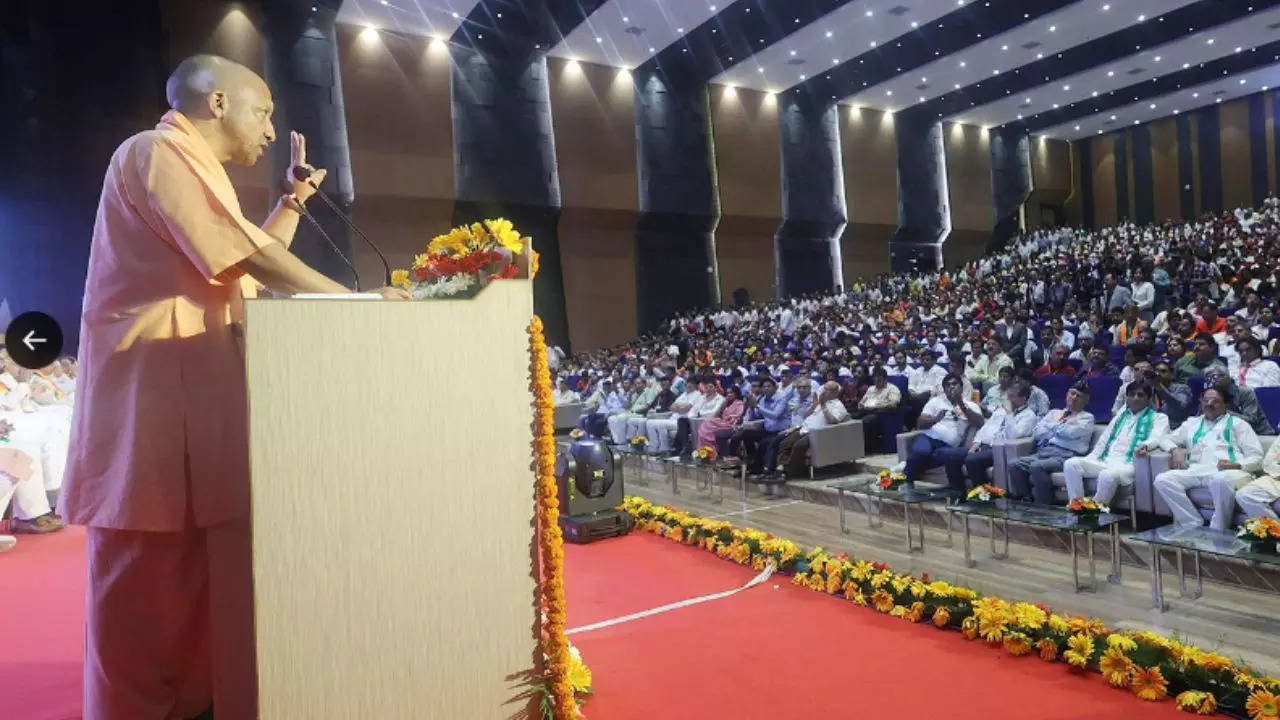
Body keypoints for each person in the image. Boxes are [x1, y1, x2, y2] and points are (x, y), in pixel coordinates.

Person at [59, 55, 410, 720]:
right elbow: (245, 255)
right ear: (218, 103)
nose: (273, 130)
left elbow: (241, 258)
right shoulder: (153, 151)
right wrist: (360, 304)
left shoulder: (198, 173)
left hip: (198, 407)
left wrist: (295, 200)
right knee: (144, 589)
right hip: (152, 410)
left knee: (199, 589)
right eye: (265, 111)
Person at [1148, 388, 1264, 530]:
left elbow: (1257, 457)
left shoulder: (1238, 424)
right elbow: (1164, 439)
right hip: (1197, 470)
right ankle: (1193, 525)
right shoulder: (1192, 423)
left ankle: (1219, 529)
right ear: (1200, 402)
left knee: (1219, 481)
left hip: (1230, 472)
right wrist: (1175, 450)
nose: (1209, 404)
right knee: (1162, 480)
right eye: (1206, 400)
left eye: (1215, 401)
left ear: (1226, 405)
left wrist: (1237, 465)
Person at [1063, 381, 1170, 506]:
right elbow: (1104, 439)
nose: (1135, 398)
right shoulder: (1120, 417)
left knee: (1107, 475)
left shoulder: (1158, 417)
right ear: (1127, 398)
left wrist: (1146, 445)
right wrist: (1092, 458)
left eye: (1140, 395)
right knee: (1071, 464)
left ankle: (1094, 513)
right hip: (1105, 460)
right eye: (1132, 394)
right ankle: (1077, 506)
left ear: (1148, 399)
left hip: (1128, 464)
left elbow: (1158, 436)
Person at [1007, 383, 1096, 504]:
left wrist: (1052, 427)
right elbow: (1037, 432)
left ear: (1086, 401)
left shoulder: (1087, 418)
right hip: (1045, 451)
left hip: (1066, 455)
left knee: (1037, 466)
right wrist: (1061, 427)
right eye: (1072, 393)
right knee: (1014, 464)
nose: (1074, 397)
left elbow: (1071, 433)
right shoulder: (1054, 413)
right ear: (1067, 394)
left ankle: (1043, 505)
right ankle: (1026, 500)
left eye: (1079, 396)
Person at [949, 379, 1038, 492]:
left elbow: (1014, 436)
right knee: (951, 455)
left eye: (1012, 396)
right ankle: (959, 494)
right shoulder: (1001, 410)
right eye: (1008, 396)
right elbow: (986, 427)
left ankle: (984, 498)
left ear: (1023, 398)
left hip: (999, 449)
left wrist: (1009, 413)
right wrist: (977, 441)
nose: (1008, 399)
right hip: (983, 445)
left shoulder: (1029, 416)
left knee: (972, 460)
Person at [902, 374, 985, 487]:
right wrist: (935, 419)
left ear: (961, 387)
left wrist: (961, 404)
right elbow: (920, 423)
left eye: (954, 384)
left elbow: (980, 423)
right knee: (922, 452)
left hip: (948, 446)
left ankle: (905, 471)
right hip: (927, 437)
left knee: (943, 455)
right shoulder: (936, 401)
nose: (951, 387)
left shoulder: (971, 405)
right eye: (948, 385)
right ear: (944, 389)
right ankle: (906, 482)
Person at [772, 381, 850, 482]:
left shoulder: (838, 406)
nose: (823, 391)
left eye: (827, 390)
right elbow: (808, 417)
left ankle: (785, 470)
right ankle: (780, 469)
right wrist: (797, 426)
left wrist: (823, 405)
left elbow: (833, 421)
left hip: (817, 433)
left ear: (835, 392)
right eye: (824, 388)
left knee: (798, 446)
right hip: (804, 428)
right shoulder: (819, 403)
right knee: (784, 443)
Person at [1202, 366, 1275, 436]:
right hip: (1228, 434)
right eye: (1208, 378)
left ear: (1227, 378)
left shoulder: (1245, 393)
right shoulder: (1209, 396)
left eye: (1215, 377)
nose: (1212, 381)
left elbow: (1251, 421)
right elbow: (1201, 418)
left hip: (1259, 434)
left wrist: (1224, 412)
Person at [645, 377, 705, 454]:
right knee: (650, 423)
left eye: (690, 386)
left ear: (695, 386)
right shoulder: (684, 394)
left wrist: (678, 407)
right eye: (686, 385)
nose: (687, 387)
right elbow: (671, 407)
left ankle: (659, 448)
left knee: (654, 424)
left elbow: (685, 409)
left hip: (683, 420)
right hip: (673, 418)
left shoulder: (697, 394)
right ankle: (659, 448)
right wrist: (679, 407)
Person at [851, 367, 901, 454]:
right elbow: (862, 401)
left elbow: (894, 404)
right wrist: (860, 405)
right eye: (875, 380)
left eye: (879, 380)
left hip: (881, 413)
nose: (877, 383)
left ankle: (867, 448)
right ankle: (851, 446)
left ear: (885, 379)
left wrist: (878, 406)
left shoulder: (892, 389)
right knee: (850, 417)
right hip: (866, 410)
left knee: (865, 421)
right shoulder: (871, 388)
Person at [1235, 440, 1280, 521]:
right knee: (1245, 495)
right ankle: (1274, 529)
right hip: (1276, 478)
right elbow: (1267, 463)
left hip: (1276, 474)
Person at [702, 386, 746, 456]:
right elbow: (716, 415)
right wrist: (724, 403)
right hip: (724, 423)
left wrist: (726, 419)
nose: (729, 394)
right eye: (727, 393)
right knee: (707, 423)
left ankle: (722, 454)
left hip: (732, 425)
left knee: (711, 428)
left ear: (736, 393)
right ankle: (708, 451)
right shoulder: (727, 404)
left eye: (731, 393)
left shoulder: (739, 403)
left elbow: (738, 417)